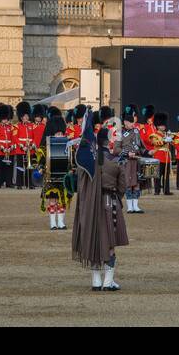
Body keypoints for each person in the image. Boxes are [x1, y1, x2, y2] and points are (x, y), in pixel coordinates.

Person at [71, 116, 129, 291]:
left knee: (94, 239)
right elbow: (122, 187)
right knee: (109, 243)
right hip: (110, 202)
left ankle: (96, 281)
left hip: (90, 206)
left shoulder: (87, 163)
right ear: (108, 141)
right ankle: (108, 281)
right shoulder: (115, 162)